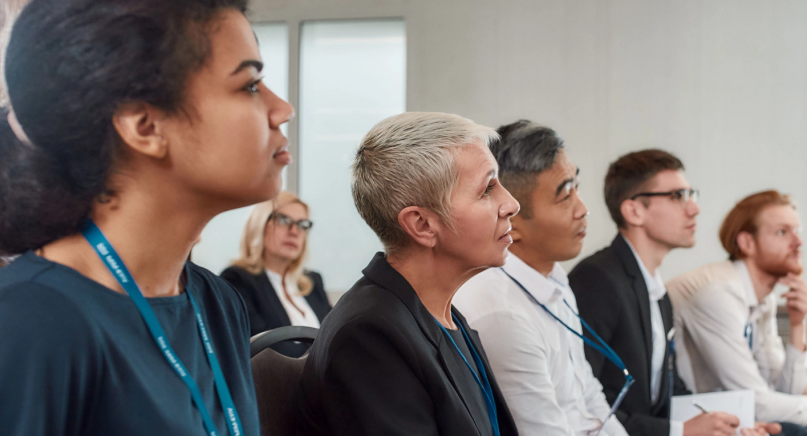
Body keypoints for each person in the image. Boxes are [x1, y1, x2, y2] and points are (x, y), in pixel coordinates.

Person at [0, 0, 294, 434]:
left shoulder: (216, 303)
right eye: (250, 85)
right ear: (144, 126)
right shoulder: (30, 320)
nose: (283, 109)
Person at [300, 112, 521, 436]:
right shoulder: (369, 338)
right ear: (422, 225)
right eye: (487, 189)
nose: (511, 204)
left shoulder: (444, 316)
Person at [452, 120, 630, 436]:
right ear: (511, 218)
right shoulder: (500, 312)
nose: (583, 209)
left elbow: (587, 393)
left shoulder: (553, 276)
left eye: (576, 186)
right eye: (564, 196)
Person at [570, 150, 758, 436]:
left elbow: (669, 392)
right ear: (634, 211)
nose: (693, 208)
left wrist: (734, 424)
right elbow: (581, 402)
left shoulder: (657, 291)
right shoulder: (599, 279)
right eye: (678, 196)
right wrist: (679, 432)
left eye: (690, 195)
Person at [666, 191, 807, 436]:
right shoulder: (717, 293)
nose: (798, 242)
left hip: (723, 409)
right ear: (746, 243)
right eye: (783, 232)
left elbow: (781, 392)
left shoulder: (762, 300)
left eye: (798, 231)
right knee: (803, 430)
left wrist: (798, 325)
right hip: (686, 417)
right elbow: (758, 403)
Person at [221, 191, 330, 356]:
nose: (294, 231)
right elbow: (264, 349)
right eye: (283, 220)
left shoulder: (312, 281)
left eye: (302, 224)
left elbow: (336, 337)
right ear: (259, 225)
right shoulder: (237, 280)